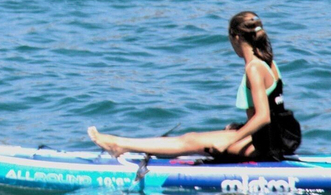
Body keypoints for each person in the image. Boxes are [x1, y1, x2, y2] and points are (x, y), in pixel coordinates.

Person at [88, 12, 303, 162]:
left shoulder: (254, 68)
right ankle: (123, 144)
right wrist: (239, 128)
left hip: (266, 146)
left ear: (236, 38)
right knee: (205, 136)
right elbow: (273, 112)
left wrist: (232, 140)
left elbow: (264, 116)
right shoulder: (268, 62)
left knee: (189, 141)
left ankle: (120, 145)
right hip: (277, 138)